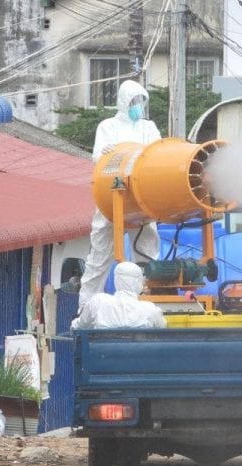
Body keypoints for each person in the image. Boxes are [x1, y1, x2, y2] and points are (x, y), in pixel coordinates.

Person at [78, 79, 162, 311]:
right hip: (111, 196)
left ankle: (146, 301)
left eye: (141, 101)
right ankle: (86, 306)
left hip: (141, 197)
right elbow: (99, 158)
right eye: (134, 101)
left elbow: (156, 154)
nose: (138, 106)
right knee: (100, 254)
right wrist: (108, 154)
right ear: (124, 101)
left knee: (146, 251)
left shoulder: (148, 127)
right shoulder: (107, 126)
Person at [71, 261, 166, 330]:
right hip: (140, 357)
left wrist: (73, 324)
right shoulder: (150, 309)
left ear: (116, 280)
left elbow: (80, 326)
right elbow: (163, 328)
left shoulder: (98, 302)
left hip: (103, 356)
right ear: (138, 283)